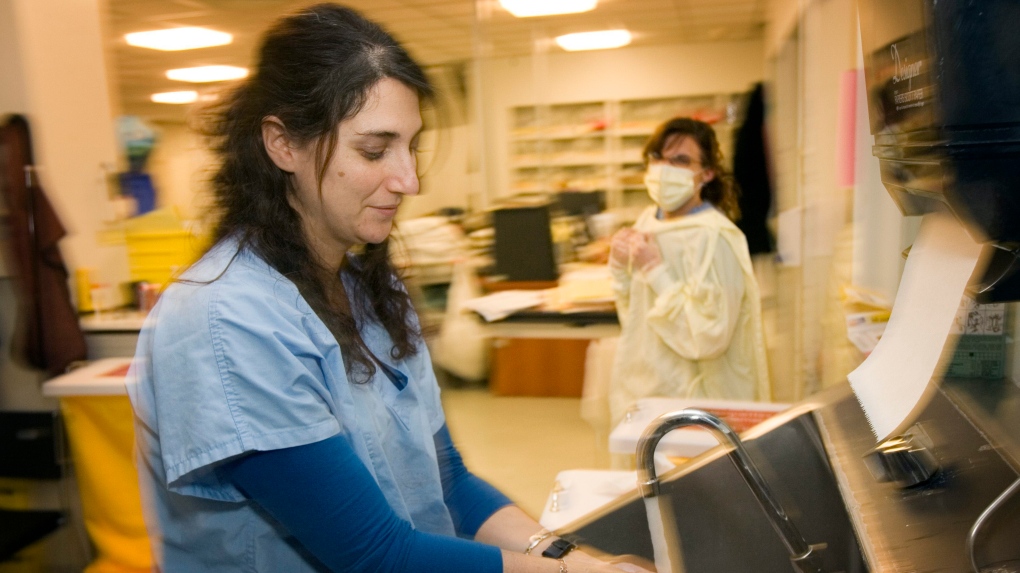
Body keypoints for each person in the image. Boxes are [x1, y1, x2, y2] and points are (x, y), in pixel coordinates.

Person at [126, 4, 654, 573]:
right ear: (282, 144)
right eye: (375, 151)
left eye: (411, 146)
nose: (410, 180)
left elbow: (446, 479)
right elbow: (374, 555)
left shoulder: (366, 290)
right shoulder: (225, 322)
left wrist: (562, 552)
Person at [607, 117, 771, 426]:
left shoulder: (715, 237)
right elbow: (636, 318)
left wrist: (656, 272)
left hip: (695, 401)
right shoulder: (647, 221)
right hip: (644, 387)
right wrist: (620, 267)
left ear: (707, 173)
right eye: (657, 158)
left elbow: (707, 338)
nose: (663, 169)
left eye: (680, 160)